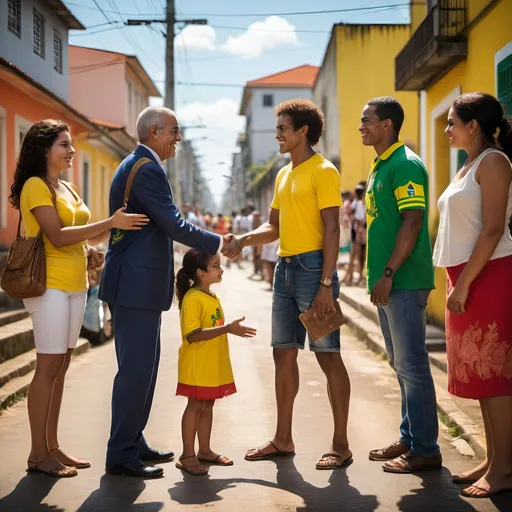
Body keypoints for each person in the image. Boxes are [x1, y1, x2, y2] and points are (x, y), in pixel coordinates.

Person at [99, 106, 238, 479]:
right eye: (174, 131)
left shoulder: (142, 164)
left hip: (139, 284)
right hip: (133, 284)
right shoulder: (144, 168)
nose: (178, 138)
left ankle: (133, 440)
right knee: (135, 371)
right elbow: (174, 224)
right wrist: (219, 242)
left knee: (145, 370)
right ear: (155, 131)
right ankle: (121, 451)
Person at [8, 120, 148, 478]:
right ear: (44, 149)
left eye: (71, 144)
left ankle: (52, 447)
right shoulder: (35, 186)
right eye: (64, 145)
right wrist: (110, 223)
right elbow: (55, 235)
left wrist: (90, 251)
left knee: (61, 367)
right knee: (48, 368)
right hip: (49, 287)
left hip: (76, 285)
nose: (71, 151)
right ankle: (38, 454)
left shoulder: (67, 187)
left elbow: (74, 234)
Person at [225, 99, 352, 470]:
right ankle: (283, 438)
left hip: (315, 271)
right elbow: (273, 227)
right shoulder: (283, 175)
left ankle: (341, 444)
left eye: (283, 128)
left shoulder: (323, 171)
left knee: (328, 356)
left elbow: (333, 228)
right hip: (284, 270)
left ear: (303, 132)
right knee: (283, 352)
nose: (277, 134)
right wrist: (243, 241)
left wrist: (327, 282)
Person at [433, 92, 512, 499]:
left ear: (473, 126)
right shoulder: (469, 165)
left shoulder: (494, 162)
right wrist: (457, 280)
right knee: (480, 376)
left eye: (452, 123)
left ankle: (504, 470)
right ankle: (494, 457)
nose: (447, 130)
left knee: (495, 375)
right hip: (464, 273)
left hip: (489, 273)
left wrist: (465, 284)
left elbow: (494, 229)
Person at [360, 97, 440, 473]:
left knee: (412, 364)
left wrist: (389, 274)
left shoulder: (405, 163)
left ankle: (426, 449)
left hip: (403, 281)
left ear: (387, 125)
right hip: (388, 283)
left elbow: (412, 222)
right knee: (400, 364)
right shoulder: (381, 165)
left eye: (367, 121)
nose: (362, 127)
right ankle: (410, 437)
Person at [174, 249, 256, 475]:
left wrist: (227, 329)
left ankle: (205, 450)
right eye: (216, 266)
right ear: (201, 272)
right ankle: (187, 455)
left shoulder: (211, 295)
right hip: (197, 363)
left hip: (211, 362)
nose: (221, 270)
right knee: (195, 405)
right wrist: (228, 328)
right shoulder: (192, 298)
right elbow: (193, 335)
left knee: (208, 404)